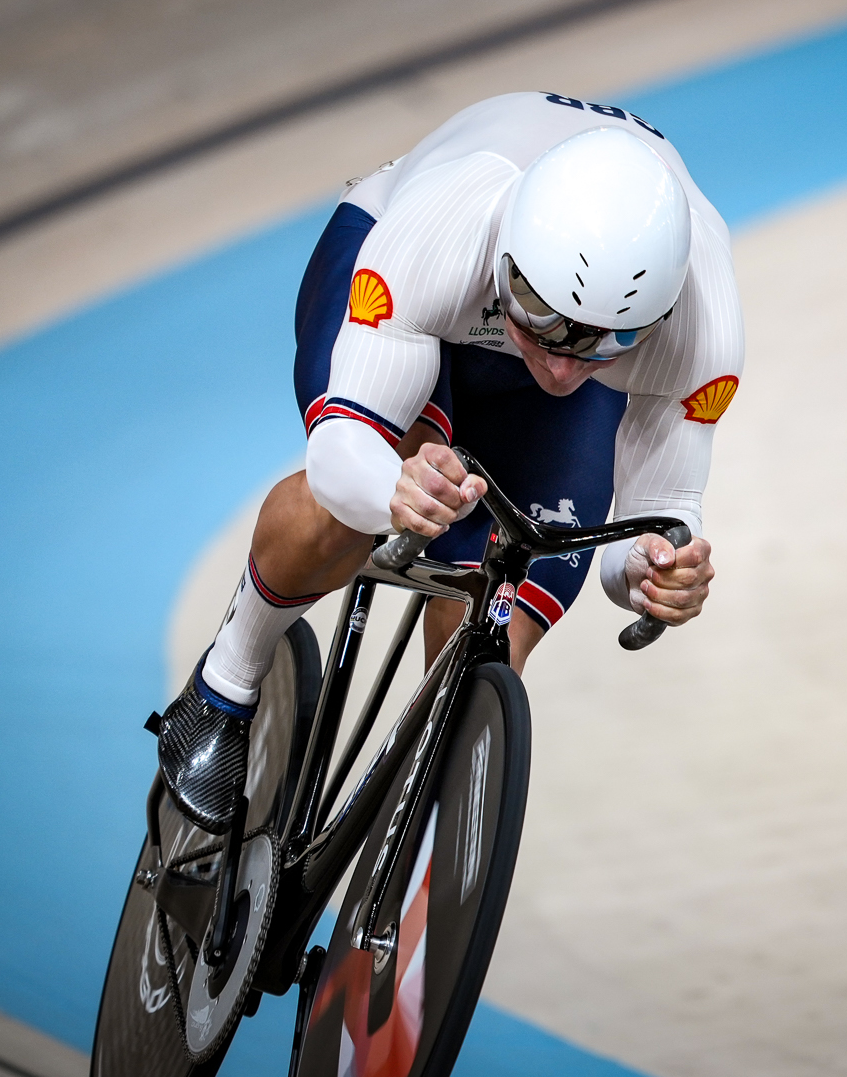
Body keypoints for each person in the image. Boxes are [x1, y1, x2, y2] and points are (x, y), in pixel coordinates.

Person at [157, 91, 745, 833]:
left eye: (607, 339)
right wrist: (391, 489)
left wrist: (656, 574)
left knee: (501, 622)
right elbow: (345, 455)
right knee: (367, 507)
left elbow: (645, 529)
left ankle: (402, 881)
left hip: (504, 320)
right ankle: (222, 690)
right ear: (509, 257)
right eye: (547, 319)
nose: (565, 366)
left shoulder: (703, 325)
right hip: (416, 302)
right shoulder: (444, 226)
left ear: (659, 311)